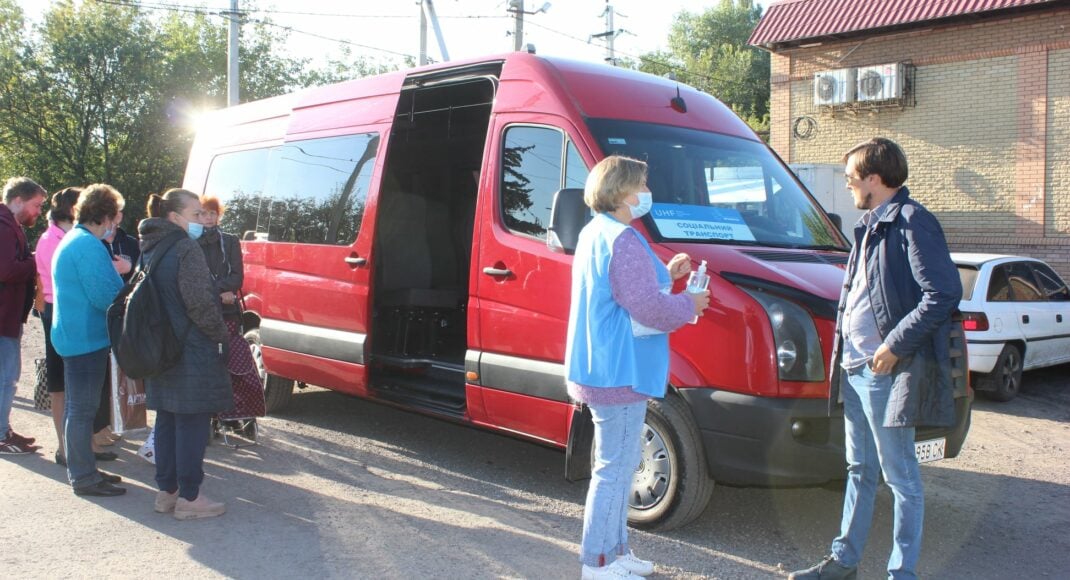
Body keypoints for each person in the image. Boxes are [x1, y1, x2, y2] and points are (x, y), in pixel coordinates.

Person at [790, 138, 962, 580]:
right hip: (855, 369)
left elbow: (942, 293)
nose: (847, 185)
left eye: (851, 178)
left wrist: (894, 346)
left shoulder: (912, 221)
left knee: (901, 478)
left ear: (874, 178)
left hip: (886, 371)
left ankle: (901, 573)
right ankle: (843, 561)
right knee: (859, 469)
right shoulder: (870, 224)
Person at [564, 156, 709, 580]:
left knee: (617, 467)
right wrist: (689, 303)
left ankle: (617, 552)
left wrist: (667, 275)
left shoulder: (597, 232)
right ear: (625, 192)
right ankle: (598, 562)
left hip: (603, 367)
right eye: (643, 183)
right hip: (618, 370)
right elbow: (646, 307)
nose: (648, 190)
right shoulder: (623, 238)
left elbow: (627, 293)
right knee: (614, 471)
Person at [140, 188, 232, 520]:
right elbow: (200, 304)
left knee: (166, 418)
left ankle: (167, 492)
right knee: (192, 422)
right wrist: (220, 334)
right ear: (175, 217)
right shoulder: (185, 249)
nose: (200, 221)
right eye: (195, 214)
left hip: (161, 348)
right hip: (190, 349)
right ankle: (190, 499)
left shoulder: (149, 246)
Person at [51, 184, 129, 496]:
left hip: (75, 335)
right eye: (115, 217)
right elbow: (106, 295)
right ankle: (83, 477)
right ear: (105, 216)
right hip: (84, 338)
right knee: (82, 409)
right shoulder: (87, 245)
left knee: (79, 408)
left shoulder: (77, 239)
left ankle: (85, 469)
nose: (116, 224)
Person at [198, 194, 265, 439]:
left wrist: (217, 292)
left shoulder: (230, 240)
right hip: (201, 314)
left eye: (212, 213)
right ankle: (207, 418)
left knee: (234, 366)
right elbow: (194, 281)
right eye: (203, 213)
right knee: (205, 368)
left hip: (228, 314)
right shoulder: (189, 241)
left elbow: (237, 277)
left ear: (218, 215)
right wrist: (218, 293)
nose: (208, 218)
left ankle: (235, 416)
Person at [34, 186, 81, 463]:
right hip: (56, 310)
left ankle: (79, 444)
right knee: (60, 381)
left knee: (72, 378)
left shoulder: (68, 234)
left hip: (68, 309)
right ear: (72, 208)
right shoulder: (51, 238)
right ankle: (64, 447)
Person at [0, 177, 46, 455]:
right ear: (18, 200)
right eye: (36, 205)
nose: (39, 211)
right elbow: (5, 270)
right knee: (6, 377)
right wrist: (35, 260)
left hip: (7, 316)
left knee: (8, 376)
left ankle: (3, 429)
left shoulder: (9, 225)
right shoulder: (4, 227)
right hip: (3, 316)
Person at [91, 210, 139, 451]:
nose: (114, 218)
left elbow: (141, 273)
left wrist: (129, 267)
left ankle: (109, 423)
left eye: (118, 213)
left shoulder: (130, 242)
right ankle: (97, 427)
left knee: (115, 374)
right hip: (103, 316)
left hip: (127, 314)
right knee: (100, 375)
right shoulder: (94, 242)